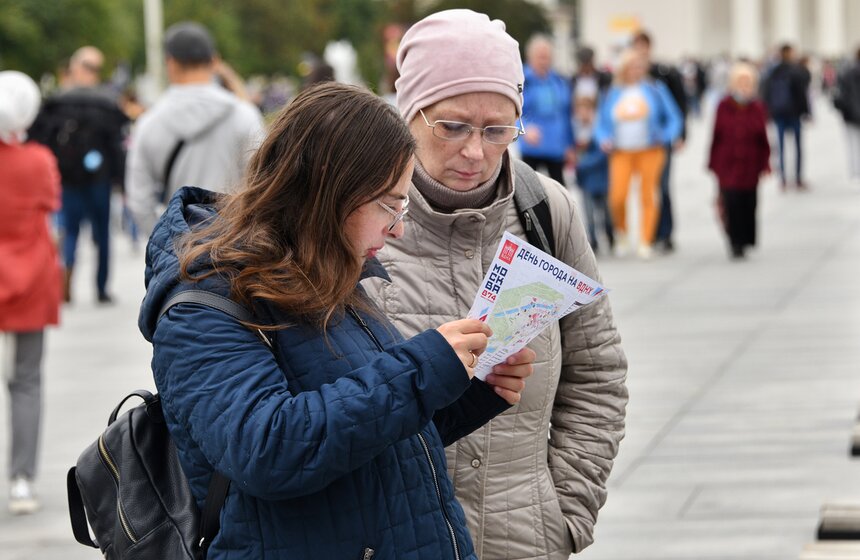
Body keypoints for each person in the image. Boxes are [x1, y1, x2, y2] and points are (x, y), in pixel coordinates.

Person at [137, 82, 536, 559]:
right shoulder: (202, 305)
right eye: (389, 204)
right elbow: (269, 449)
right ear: (328, 187)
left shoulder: (326, 273)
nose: (399, 227)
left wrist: (469, 389)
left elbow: (368, 438)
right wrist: (422, 370)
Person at [363, 10, 629, 558]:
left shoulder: (546, 211)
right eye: (453, 126)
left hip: (524, 538)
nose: (476, 151)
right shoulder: (356, 219)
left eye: (498, 129)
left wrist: (567, 512)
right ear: (407, 113)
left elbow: (597, 373)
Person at [126, 21, 265, 236]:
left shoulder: (150, 123)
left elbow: (139, 200)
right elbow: (261, 184)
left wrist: (165, 243)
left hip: (178, 251)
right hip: (235, 247)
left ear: (170, 63)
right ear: (214, 60)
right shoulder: (244, 115)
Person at [0, 71, 63, 514]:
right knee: (26, 380)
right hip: (31, 275)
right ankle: (21, 479)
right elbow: (51, 204)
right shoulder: (39, 160)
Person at [28, 46, 128, 304]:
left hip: (67, 178)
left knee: (69, 231)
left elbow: (41, 140)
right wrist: (121, 179)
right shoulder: (107, 103)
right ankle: (101, 288)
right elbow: (117, 145)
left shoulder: (58, 102)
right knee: (101, 236)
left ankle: (66, 275)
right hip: (99, 180)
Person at [595, 49, 683, 260]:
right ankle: (622, 233)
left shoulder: (655, 89)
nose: (635, 70)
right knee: (617, 196)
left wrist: (666, 136)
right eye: (631, 66)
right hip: (621, 152)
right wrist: (603, 139)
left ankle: (646, 240)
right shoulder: (613, 92)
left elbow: (674, 117)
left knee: (648, 195)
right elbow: (601, 124)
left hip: (650, 150)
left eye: (639, 66)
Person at [708, 62, 770, 259]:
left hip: (750, 163)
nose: (744, 86)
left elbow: (763, 138)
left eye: (748, 82)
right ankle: (734, 242)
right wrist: (713, 163)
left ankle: (746, 239)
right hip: (727, 163)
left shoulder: (757, 107)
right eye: (741, 82)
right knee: (731, 202)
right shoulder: (723, 106)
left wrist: (766, 163)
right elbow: (716, 135)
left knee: (749, 202)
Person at [632, 30, 687, 253]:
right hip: (637, 144)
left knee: (662, 187)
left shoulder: (662, 74)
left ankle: (666, 232)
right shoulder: (629, 75)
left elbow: (678, 105)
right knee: (646, 189)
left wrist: (680, 134)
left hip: (660, 141)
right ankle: (651, 231)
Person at [519, 34, 574, 185]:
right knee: (528, 191)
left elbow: (566, 114)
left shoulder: (559, 81)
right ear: (530, 57)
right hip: (532, 147)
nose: (544, 61)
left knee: (560, 192)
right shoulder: (522, 80)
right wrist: (524, 129)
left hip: (556, 147)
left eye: (547, 57)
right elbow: (512, 112)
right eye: (540, 57)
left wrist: (570, 145)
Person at [761, 43, 811, 190]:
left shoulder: (773, 70)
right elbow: (803, 93)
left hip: (779, 113)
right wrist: (806, 112)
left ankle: (782, 179)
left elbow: (766, 92)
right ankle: (798, 178)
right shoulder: (796, 70)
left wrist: (768, 111)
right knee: (797, 147)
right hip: (794, 113)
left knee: (781, 147)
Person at [573, 95, 613, 254]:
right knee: (588, 213)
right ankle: (593, 241)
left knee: (605, 212)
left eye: (586, 110)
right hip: (585, 180)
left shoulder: (598, 130)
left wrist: (581, 164)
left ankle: (610, 236)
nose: (583, 114)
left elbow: (602, 154)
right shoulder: (575, 130)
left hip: (600, 177)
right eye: (580, 111)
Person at [832, 47, 860, 183]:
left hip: (850, 114)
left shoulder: (846, 72)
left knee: (852, 143)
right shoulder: (847, 72)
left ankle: (855, 171)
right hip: (852, 113)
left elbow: (840, 93)